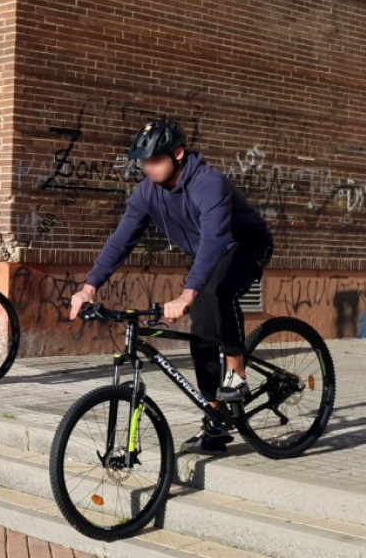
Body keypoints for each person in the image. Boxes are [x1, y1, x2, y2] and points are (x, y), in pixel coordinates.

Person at [69, 119, 273, 453]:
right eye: (143, 162)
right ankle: (216, 420)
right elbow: (121, 240)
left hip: (245, 246)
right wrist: (90, 286)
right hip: (209, 254)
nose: (147, 168)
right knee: (203, 334)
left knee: (214, 293)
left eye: (154, 160)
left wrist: (187, 293)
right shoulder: (148, 192)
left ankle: (236, 372)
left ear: (177, 154)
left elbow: (215, 239)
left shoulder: (208, 183)